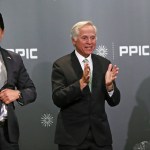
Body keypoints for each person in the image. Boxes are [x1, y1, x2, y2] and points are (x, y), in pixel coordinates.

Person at [51, 21, 120, 150]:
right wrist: (80, 84)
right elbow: (58, 98)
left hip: (101, 138)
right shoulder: (61, 65)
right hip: (72, 138)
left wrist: (110, 86)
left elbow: (115, 101)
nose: (90, 42)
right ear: (74, 40)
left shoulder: (104, 64)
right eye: (84, 38)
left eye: (93, 38)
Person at [0, 13, 37, 150]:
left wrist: (17, 94)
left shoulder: (14, 59)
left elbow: (31, 91)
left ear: (2, 32)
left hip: (6, 134)